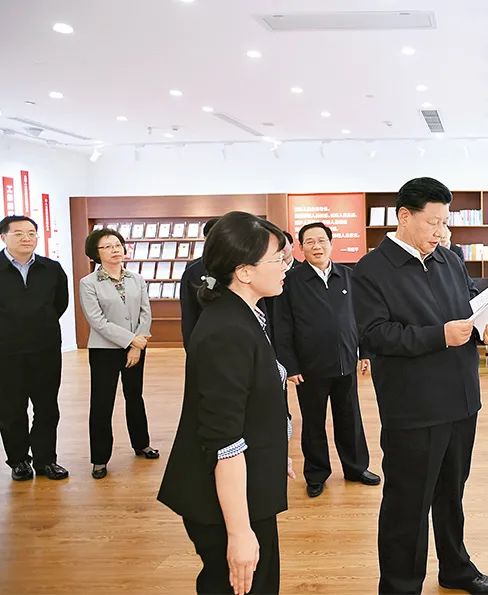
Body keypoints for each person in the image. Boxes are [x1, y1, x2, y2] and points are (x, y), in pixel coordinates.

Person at [352, 177, 488, 595]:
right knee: (407, 504)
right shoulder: (370, 270)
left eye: (445, 223)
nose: (441, 232)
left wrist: (486, 330)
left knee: (452, 494)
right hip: (414, 409)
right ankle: (401, 586)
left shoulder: (450, 260)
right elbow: (375, 335)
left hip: (461, 401)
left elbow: (469, 312)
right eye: (433, 222)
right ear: (404, 217)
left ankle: (456, 568)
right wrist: (439, 335)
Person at [158, 211, 293, 595]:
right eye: (278, 259)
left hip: (250, 485)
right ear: (245, 271)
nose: (286, 267)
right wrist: (240, 533)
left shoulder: (244, 315)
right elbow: (225, 442)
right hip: (228, 502)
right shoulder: (227, 332)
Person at [275, 222, 380, 498]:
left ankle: (356, 468)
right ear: (301, 247)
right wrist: (290, 365)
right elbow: (282, 327)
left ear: (331, 244)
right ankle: (316, 474)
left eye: (322, 240)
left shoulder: (348, 276)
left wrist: (365, 352)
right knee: (313, 423)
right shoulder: (291, 282)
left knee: (350, 418)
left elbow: (361, 317)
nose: (317, 246)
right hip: (310, 367)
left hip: (346, 362)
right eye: (310, 242)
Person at [79, 228, 157, 479]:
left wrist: (136, 345)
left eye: (118, 245)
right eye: (108, 246)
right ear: (96, 253)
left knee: (135, 396)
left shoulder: (137, 278)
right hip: (104, 350)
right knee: (102, 403)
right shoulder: (88, 283)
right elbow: (97, 321)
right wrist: (130, 340)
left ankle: (142, 444)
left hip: (137, 347)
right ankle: (100, 459)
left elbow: (145, 312)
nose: (115, 250)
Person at [0, 215, 69, 481]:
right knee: (11, 409)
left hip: (45, 349)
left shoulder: (51, 269)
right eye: (18, 233)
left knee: (47, 407)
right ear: (4, 237)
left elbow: (59, 304)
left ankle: (46, 460)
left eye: (31, 233)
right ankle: (19, 461)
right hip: (6, 352)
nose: (26, 238)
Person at [179, 218, 219, 347]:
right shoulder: (193, 269)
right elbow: (189, 312)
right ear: (205, 239)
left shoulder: (239, 268)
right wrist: (190, 346)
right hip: (204, 335)